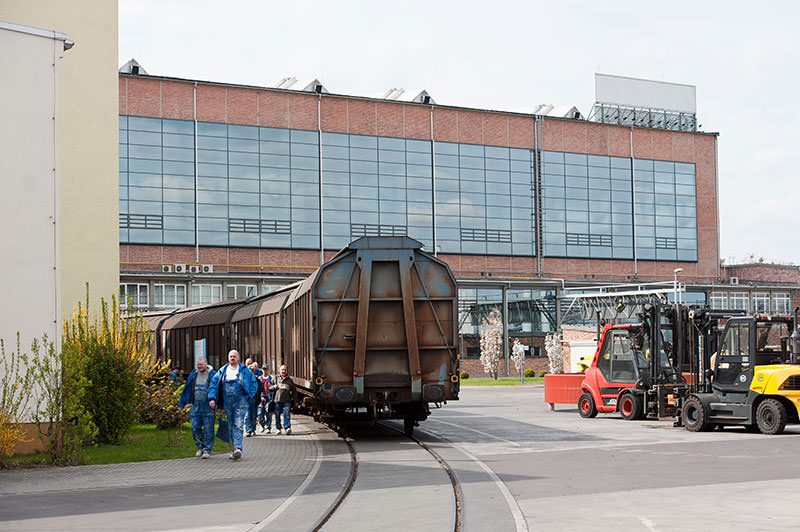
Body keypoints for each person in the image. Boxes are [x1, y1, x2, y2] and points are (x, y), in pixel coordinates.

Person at [208, 350, 257, 460]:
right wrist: (212, 398)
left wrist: (249, 395)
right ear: (228, 358)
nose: (232, 358)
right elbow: (213, 384)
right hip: (227, 402)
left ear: (238, 358)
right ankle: (234, 449)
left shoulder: (244, 370)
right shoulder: (222, 371)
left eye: (234, 356)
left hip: (240, 401)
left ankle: (238, 448)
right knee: (230, 425)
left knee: (238, 424)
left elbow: (254, 383)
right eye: (230, 356)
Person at [178, 357, 216, 459]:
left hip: (208, 407)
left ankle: (207, 450)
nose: (199, 366)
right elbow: (186, 389)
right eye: (198, 365)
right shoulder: (193, 375)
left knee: (208, 429)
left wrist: (217, 402)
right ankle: (200, 446)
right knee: (194, 427)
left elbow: (218, 389)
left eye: (201, 364)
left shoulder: (212, 375)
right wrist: (181, 404)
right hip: (195, 406)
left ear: (206, 364)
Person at [270, 364, 297, 435]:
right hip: (277, 400)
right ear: (279, 370)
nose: (283, 371)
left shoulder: (290, 380)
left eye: (285, 370)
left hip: (286, 401)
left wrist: (296, 401)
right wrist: (274, 386)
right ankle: (278, 428)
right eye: (282, 370)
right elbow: (269, 387)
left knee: (287, 414)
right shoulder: (275, 378)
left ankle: (287, 428)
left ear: (287, 371)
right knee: (277, 415)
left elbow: (294, 391)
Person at [245, 362, 264, 437]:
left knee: (253, 416)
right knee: (247, 416)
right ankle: (248, 430)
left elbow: (261, 389)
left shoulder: (257, 380)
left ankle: (253, 429)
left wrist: (262, 396)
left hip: (254, 400)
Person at [258, 363, 277, 433]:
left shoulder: (271, 378)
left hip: (269, 398)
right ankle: (261, 425)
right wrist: (260, 396)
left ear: (268, 370)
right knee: (260, 413)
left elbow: (273, 387)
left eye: (266, 369)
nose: (265, 371)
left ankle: (268, 427)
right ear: (262, 370)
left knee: (268, 413)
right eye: (263, 369)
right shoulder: (259, 378)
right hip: (261, 398)